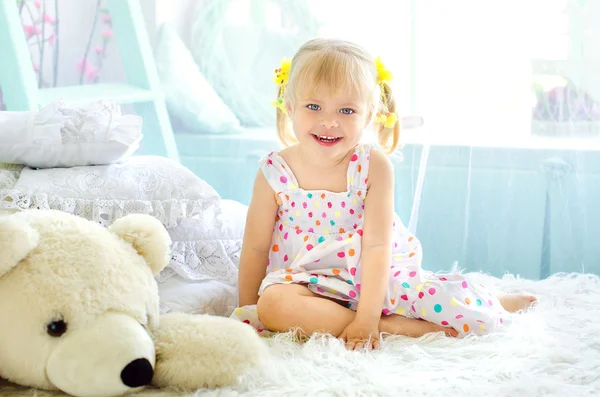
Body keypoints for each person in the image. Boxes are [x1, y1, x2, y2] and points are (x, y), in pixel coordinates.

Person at [233, 38, 537, 350]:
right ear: (289, 106)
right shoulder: (274, 172)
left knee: (447, 306)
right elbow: (255, 248)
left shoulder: (371, 166)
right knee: (273, 306)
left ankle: (489, 299)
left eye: (347, 110)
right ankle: (394, 328)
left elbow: (377, 246)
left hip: (372, 276)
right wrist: (247, 311)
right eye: (313, 106)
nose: (329, 121)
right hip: (306, 283)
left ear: (368, 116)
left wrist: (366, 320)